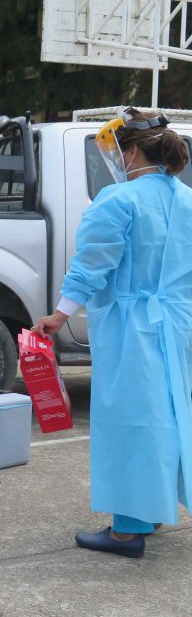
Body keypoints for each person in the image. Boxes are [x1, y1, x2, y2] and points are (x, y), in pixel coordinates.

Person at [34, 108, 192, 559]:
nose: (119, 159)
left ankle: (128, 530)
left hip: (131, 325)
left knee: (130, 421)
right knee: (168, 415)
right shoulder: (187, 200)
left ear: (133, 152)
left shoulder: (118, 200)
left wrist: (60, 315)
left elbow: (92, 264)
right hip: (176, 324)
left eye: (121, 151)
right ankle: (153, 509)